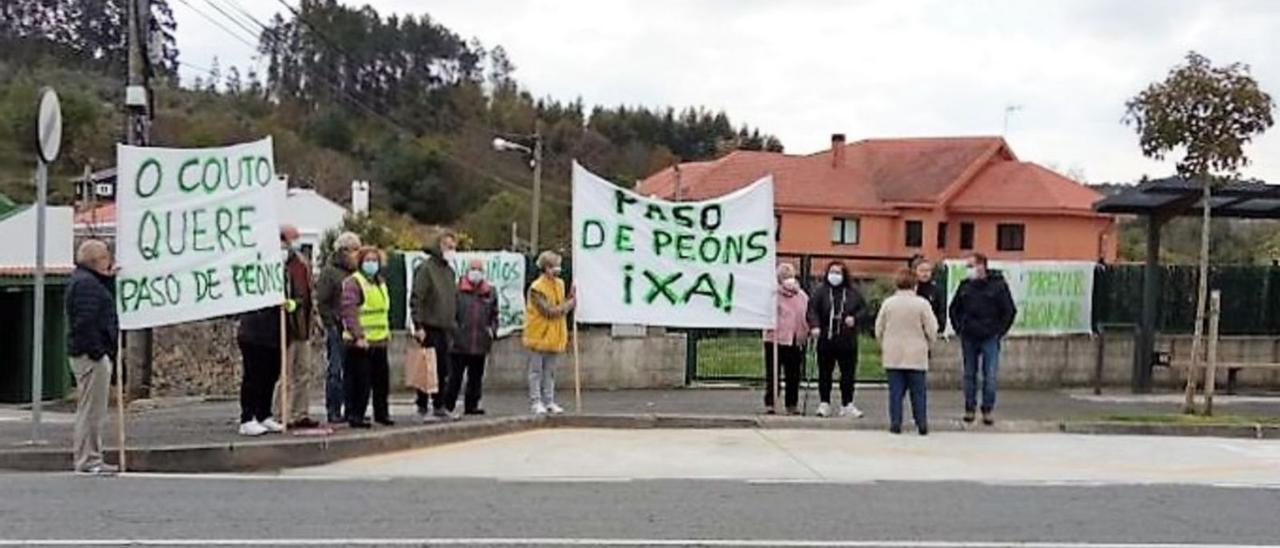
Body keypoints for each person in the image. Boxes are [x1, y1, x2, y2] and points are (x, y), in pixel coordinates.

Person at [65, 239, 119, 475]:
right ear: (98, 260)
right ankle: (89, 460)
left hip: (90, 353)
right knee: (91, 411)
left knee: (91, 409)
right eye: (107, 257)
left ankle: (90, 457)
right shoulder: (87, 286)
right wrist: (98, 352)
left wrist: (109, 279)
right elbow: (85, 322)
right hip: (91, 356)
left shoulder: (87, 281)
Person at [948, 253, 1017, 425]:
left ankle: (987, 410)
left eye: (971, 265)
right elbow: (954, 308)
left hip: (990, 336)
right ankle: (969, 409)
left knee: (990, 375)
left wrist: (999, 332)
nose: (969, 270)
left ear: (982, 266)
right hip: (969, 336)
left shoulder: (998, 286)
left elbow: (1009, 311)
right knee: (969, 374)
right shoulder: (965, 286)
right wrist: (960, 328)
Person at [876, 268, 940, 435]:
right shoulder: (922, 304)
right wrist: (929, 344)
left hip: (893, 354)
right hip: (917, 354)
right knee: (918, 392)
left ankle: (896, 423)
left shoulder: (888, 303)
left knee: (895, 392)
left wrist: (884, 344)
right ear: (915, 285)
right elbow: (932, 329)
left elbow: (879, 328)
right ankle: (921, 423)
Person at [340, 246, 394, 428]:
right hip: (359, 343)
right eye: (368, 260)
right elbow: (349, 311)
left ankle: (382, 414)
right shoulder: (354, 282)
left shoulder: (380, 283)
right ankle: (356, 415)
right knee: (360, 383)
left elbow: (383, 311)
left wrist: (386, 333)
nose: (372, 264)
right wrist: (358, 335)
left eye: (375, 260)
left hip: (379, 340)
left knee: (381, 382)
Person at [806, 260, 867, 419]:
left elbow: (864, 310)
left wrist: (855, 319)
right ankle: (824, 403)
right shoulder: (821, 292)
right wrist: (815, 326)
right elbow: (812, 310)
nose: (835, 276)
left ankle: (847, 404)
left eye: (838, 272)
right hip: (826, 338)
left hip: (847, 340)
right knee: (825, 372)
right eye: (832, 272)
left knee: (848, 374)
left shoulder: (853, 292)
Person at [411, 231, 459, 421]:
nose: (451, 251)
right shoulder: (426, 269)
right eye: (448, 246)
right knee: (425, 367)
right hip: (429, 325)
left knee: (443, 370)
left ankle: (439, 406)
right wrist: (418, 324)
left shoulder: (449, 271)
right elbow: (417, 297)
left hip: (445, 327)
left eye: (453, 247)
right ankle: (422, 407)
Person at [316, 231, 361, 425]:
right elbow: (323, 301)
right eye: (354, 250)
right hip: (336, 327)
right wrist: (330, 323)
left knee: (352, 371)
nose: (357, 254)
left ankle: (351, 409)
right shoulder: (330, 273)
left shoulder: (356, 274)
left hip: (352, 327)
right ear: (344, 251)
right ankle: (333, 410)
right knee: (336, 370)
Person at [523, 251, 575, 416]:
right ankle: (536, 401)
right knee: (536, 371)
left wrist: (571, 296)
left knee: (550, 372)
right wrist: (570, 304)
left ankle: (549, 401)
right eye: (553, 266)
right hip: (538, 334)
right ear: (545, 268)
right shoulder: (536, 288)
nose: (557, 270)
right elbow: (549, 311)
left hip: (554, 335)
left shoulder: (559, 284)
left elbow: (561, 302)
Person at [276, 225, 318, 429]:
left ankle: (300, 412)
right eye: (293, 238)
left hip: (303, 325)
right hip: (287, 327)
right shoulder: (278, 263)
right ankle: (280, 413)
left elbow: (308, 294)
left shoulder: (302, 263)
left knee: (304, 372)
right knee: (285, 375)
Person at [448, 258, 499, 415]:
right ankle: (447, 405)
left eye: (479, 269)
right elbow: (451, 314)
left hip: (481, 342)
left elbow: (494, 315)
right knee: (454, 378)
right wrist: (455, 333)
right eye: (473, 268)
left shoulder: (490, 292)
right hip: (459, 343)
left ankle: (472, 405)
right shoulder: (457, 291)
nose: (475, 272)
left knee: (476, 378)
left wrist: (492, 330)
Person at [764, 263, 810, 415]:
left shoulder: (802, 296)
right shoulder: (772, 295)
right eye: (784, 277)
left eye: (789, 276)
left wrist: (805, 333)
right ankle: (771, 403)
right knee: (772, 373)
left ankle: (792, 404)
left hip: (795, 340)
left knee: (793, 374)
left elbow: (806, 316)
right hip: (774, 340)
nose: (787, 280)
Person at [237, 295, 285, 436]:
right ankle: (247, 418)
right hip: (253, 334)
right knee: (253, 376)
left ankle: (263, 414)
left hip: (273, 334)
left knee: (270, 375)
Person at [913, 259, 946, 333]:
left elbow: (941, 309)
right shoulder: (911, 288)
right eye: (922, 270)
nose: (925, 274)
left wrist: (940, 326)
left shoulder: (937, 289)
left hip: (931, 328)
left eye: (928, 270)